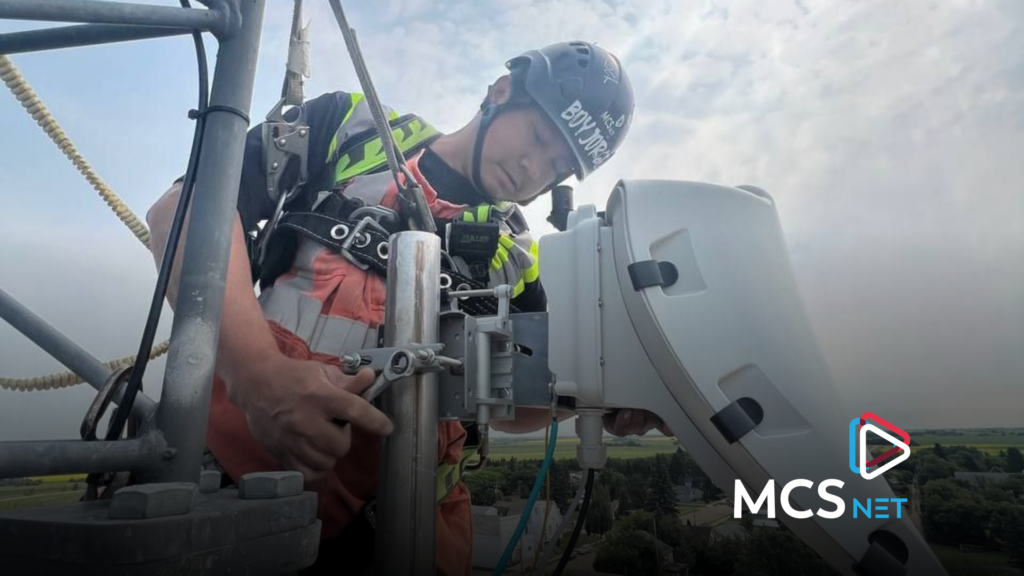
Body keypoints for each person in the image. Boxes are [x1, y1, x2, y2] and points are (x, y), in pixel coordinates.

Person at [147, 40, 661, 575]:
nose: (535, 169)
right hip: (232, 497)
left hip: (404, 535)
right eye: (538, 136)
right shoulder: (350, 129)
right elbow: (181, 212)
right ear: (502, 92)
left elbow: (511, 402)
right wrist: (257, 376)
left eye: (558, 165)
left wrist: (596, 399)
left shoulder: (517, 257)